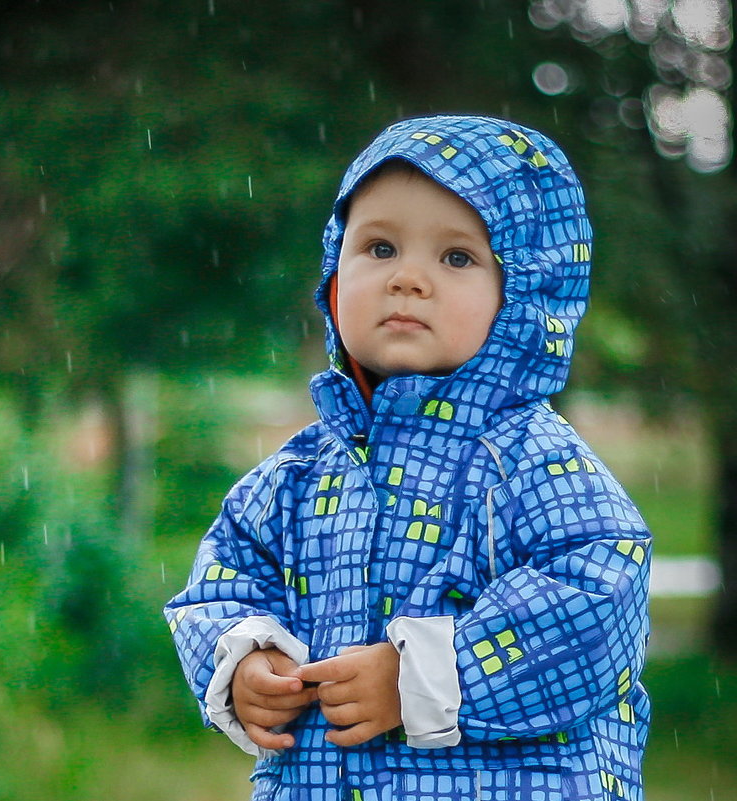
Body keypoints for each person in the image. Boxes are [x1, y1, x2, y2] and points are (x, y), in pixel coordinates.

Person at [164, 114, 650, 801]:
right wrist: (246, 656)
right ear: (336, 274)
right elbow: (222, 582)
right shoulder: (297, 475)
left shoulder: (532, 462)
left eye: (457, 257)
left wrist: (418, 677)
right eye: (380, 247)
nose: (408, 279)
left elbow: (598, 600)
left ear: (522, 298)